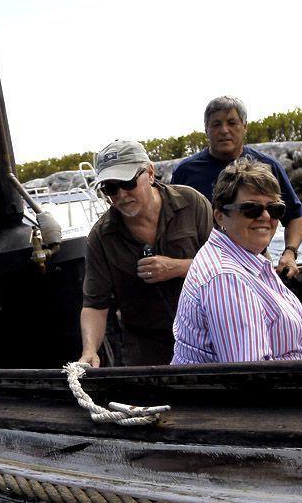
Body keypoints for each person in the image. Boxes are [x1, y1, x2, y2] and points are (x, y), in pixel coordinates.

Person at [172, 158, 302, 364]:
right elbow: (252, 376)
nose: (265, 217)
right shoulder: (226, 279)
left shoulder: (248, 256)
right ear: (220, 216)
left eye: (275, 209)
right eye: (251, 209)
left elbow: (295, 326)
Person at [78, 139, 213, 367]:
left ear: (150, 173)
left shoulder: (192, 203)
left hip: (207, 333)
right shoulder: (101, 237)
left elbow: (227, 266)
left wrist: (177, 268)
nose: (121, 195)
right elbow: (95, 303)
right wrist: (89, 350)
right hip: (146, 346)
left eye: (128, 182)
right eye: (110, 188)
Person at [171, 96, 302, 277]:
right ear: (206, 130)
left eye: (232, 123)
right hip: (201, 265)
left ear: (245, 127)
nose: (224, 130)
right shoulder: (185, 172)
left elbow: (295, 217)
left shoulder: (268, 167)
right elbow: (172, 224)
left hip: (256, 259)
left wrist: (290, 253)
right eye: (216, 124)